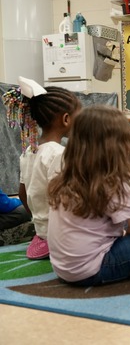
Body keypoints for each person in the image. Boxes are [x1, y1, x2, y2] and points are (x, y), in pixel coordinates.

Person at [47, 105, 130, 286]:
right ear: (120, 146)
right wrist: (125, 235)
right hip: (94, 270)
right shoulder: (111, 180)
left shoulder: (64, 177)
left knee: (120, 221)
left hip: (63, 269)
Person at [3, 77, 81, 260]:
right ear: (66, 119)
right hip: (62, 234)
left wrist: (40, 223)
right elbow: (67, 200)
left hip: (42, 233)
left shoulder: (29, 151)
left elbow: (23, 194)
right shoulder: (58, 154)